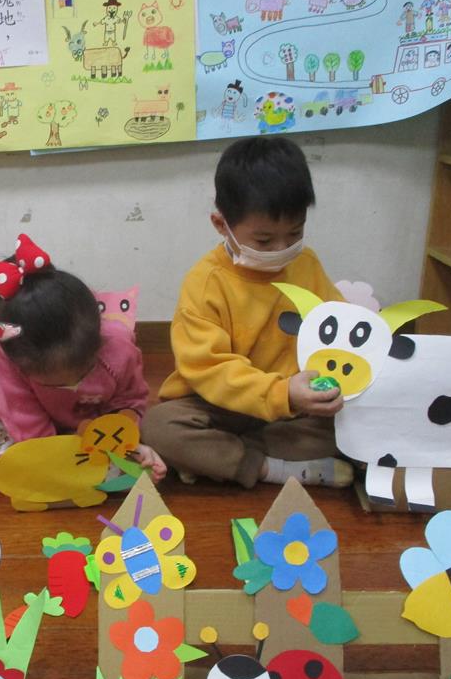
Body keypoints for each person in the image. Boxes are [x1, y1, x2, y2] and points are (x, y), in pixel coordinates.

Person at [141, 137, 353, 490]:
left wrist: (321, 388)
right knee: (159, 427)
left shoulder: (307, 263)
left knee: (350, 419)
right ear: (221, 224)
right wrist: (280, 393)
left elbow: (338, 325)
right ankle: (271, 468)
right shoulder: (206, 282)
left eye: (295, 233)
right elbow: (207, 369)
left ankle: (222, 460)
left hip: (292, 410)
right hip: (222, 407)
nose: (282, 249)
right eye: (264, 241)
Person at [0, 234, 166, 482]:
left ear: (98, 340)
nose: (70, 384)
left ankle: (16, 469)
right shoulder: (5, 351)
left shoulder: (119, 346)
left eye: (82, 371)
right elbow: (19, 413)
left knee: (149, 430)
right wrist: (54, 454)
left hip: (94, 425)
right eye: (52, 382)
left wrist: (122, 441)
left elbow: (130, 400)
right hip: (30, 427)